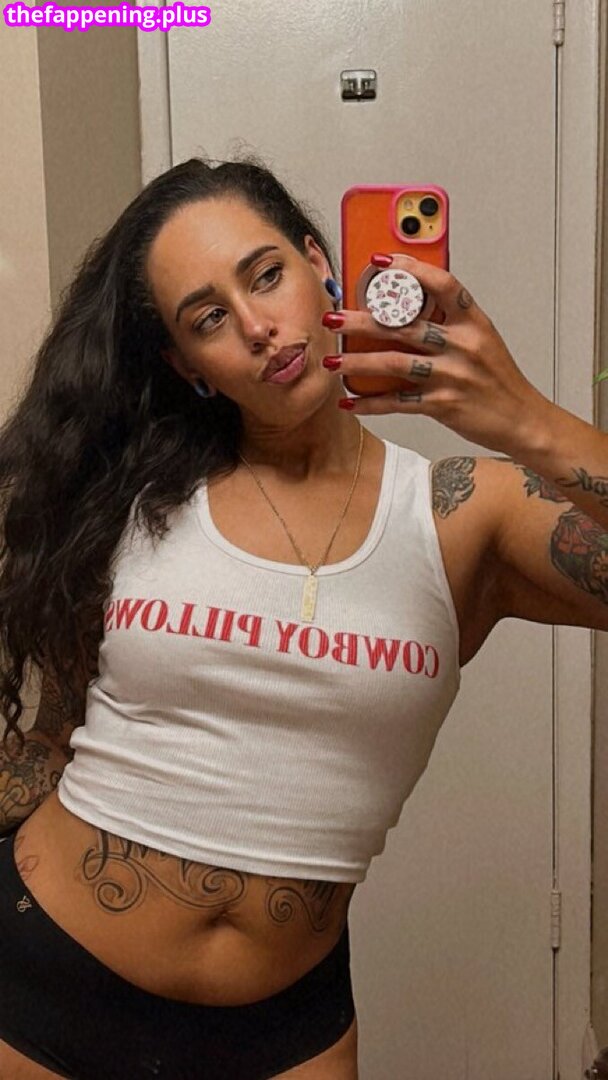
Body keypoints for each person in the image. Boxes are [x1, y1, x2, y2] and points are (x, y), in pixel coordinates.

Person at [0, 155, 605, 1080]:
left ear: (321, 264)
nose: (257, 326)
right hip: (44, 985)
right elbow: (50, 737)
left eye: (266, 274)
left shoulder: (458, 515)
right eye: (207, 318)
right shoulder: (136, 500)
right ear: (186, 365)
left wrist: (523, 419)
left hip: (286, 1028)